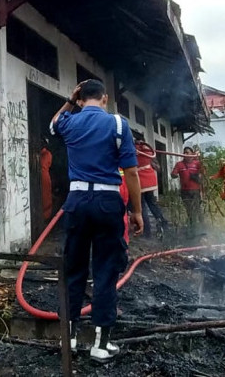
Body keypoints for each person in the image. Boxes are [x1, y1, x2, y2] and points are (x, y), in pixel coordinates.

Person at [50, 79, 143, 362]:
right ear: (104, 98)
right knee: (105, 271)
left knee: (73, 268)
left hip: (76, 201)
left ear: (80, 98)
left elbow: (53, 124)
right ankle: (101, 345)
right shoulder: (117, 124)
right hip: (107, 202)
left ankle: (71, 339)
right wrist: (137, 211)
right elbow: (131, 173)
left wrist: (69, 99)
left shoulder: (69, 122)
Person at [135, 140, 169, 238]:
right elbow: (156, 165)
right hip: (150, 180)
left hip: (140, 181)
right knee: (152, 203)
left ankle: (146, 231)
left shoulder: (134, 151)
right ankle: (162, 223)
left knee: (141, 207)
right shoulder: (149, 151)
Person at [171, 146, 203, 235]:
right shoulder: (179, 164)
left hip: (196, 191)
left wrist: (199, 175)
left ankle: (202, 227)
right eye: (184, 152)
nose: (185, 154)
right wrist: (174, 175)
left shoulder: (197, 164)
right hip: (185, 192)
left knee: (198, 210)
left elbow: (204, 174)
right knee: (189, 211)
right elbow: (173, 174)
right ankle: (193, 229)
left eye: (187, 152)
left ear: (192, 154)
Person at [40, 137, 53, 221]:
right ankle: (46, 216)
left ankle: (45, 217)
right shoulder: (48, 154)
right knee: (46, 196)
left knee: (45, 196)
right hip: (45, 176)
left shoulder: (44, 154)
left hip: (43, 176)